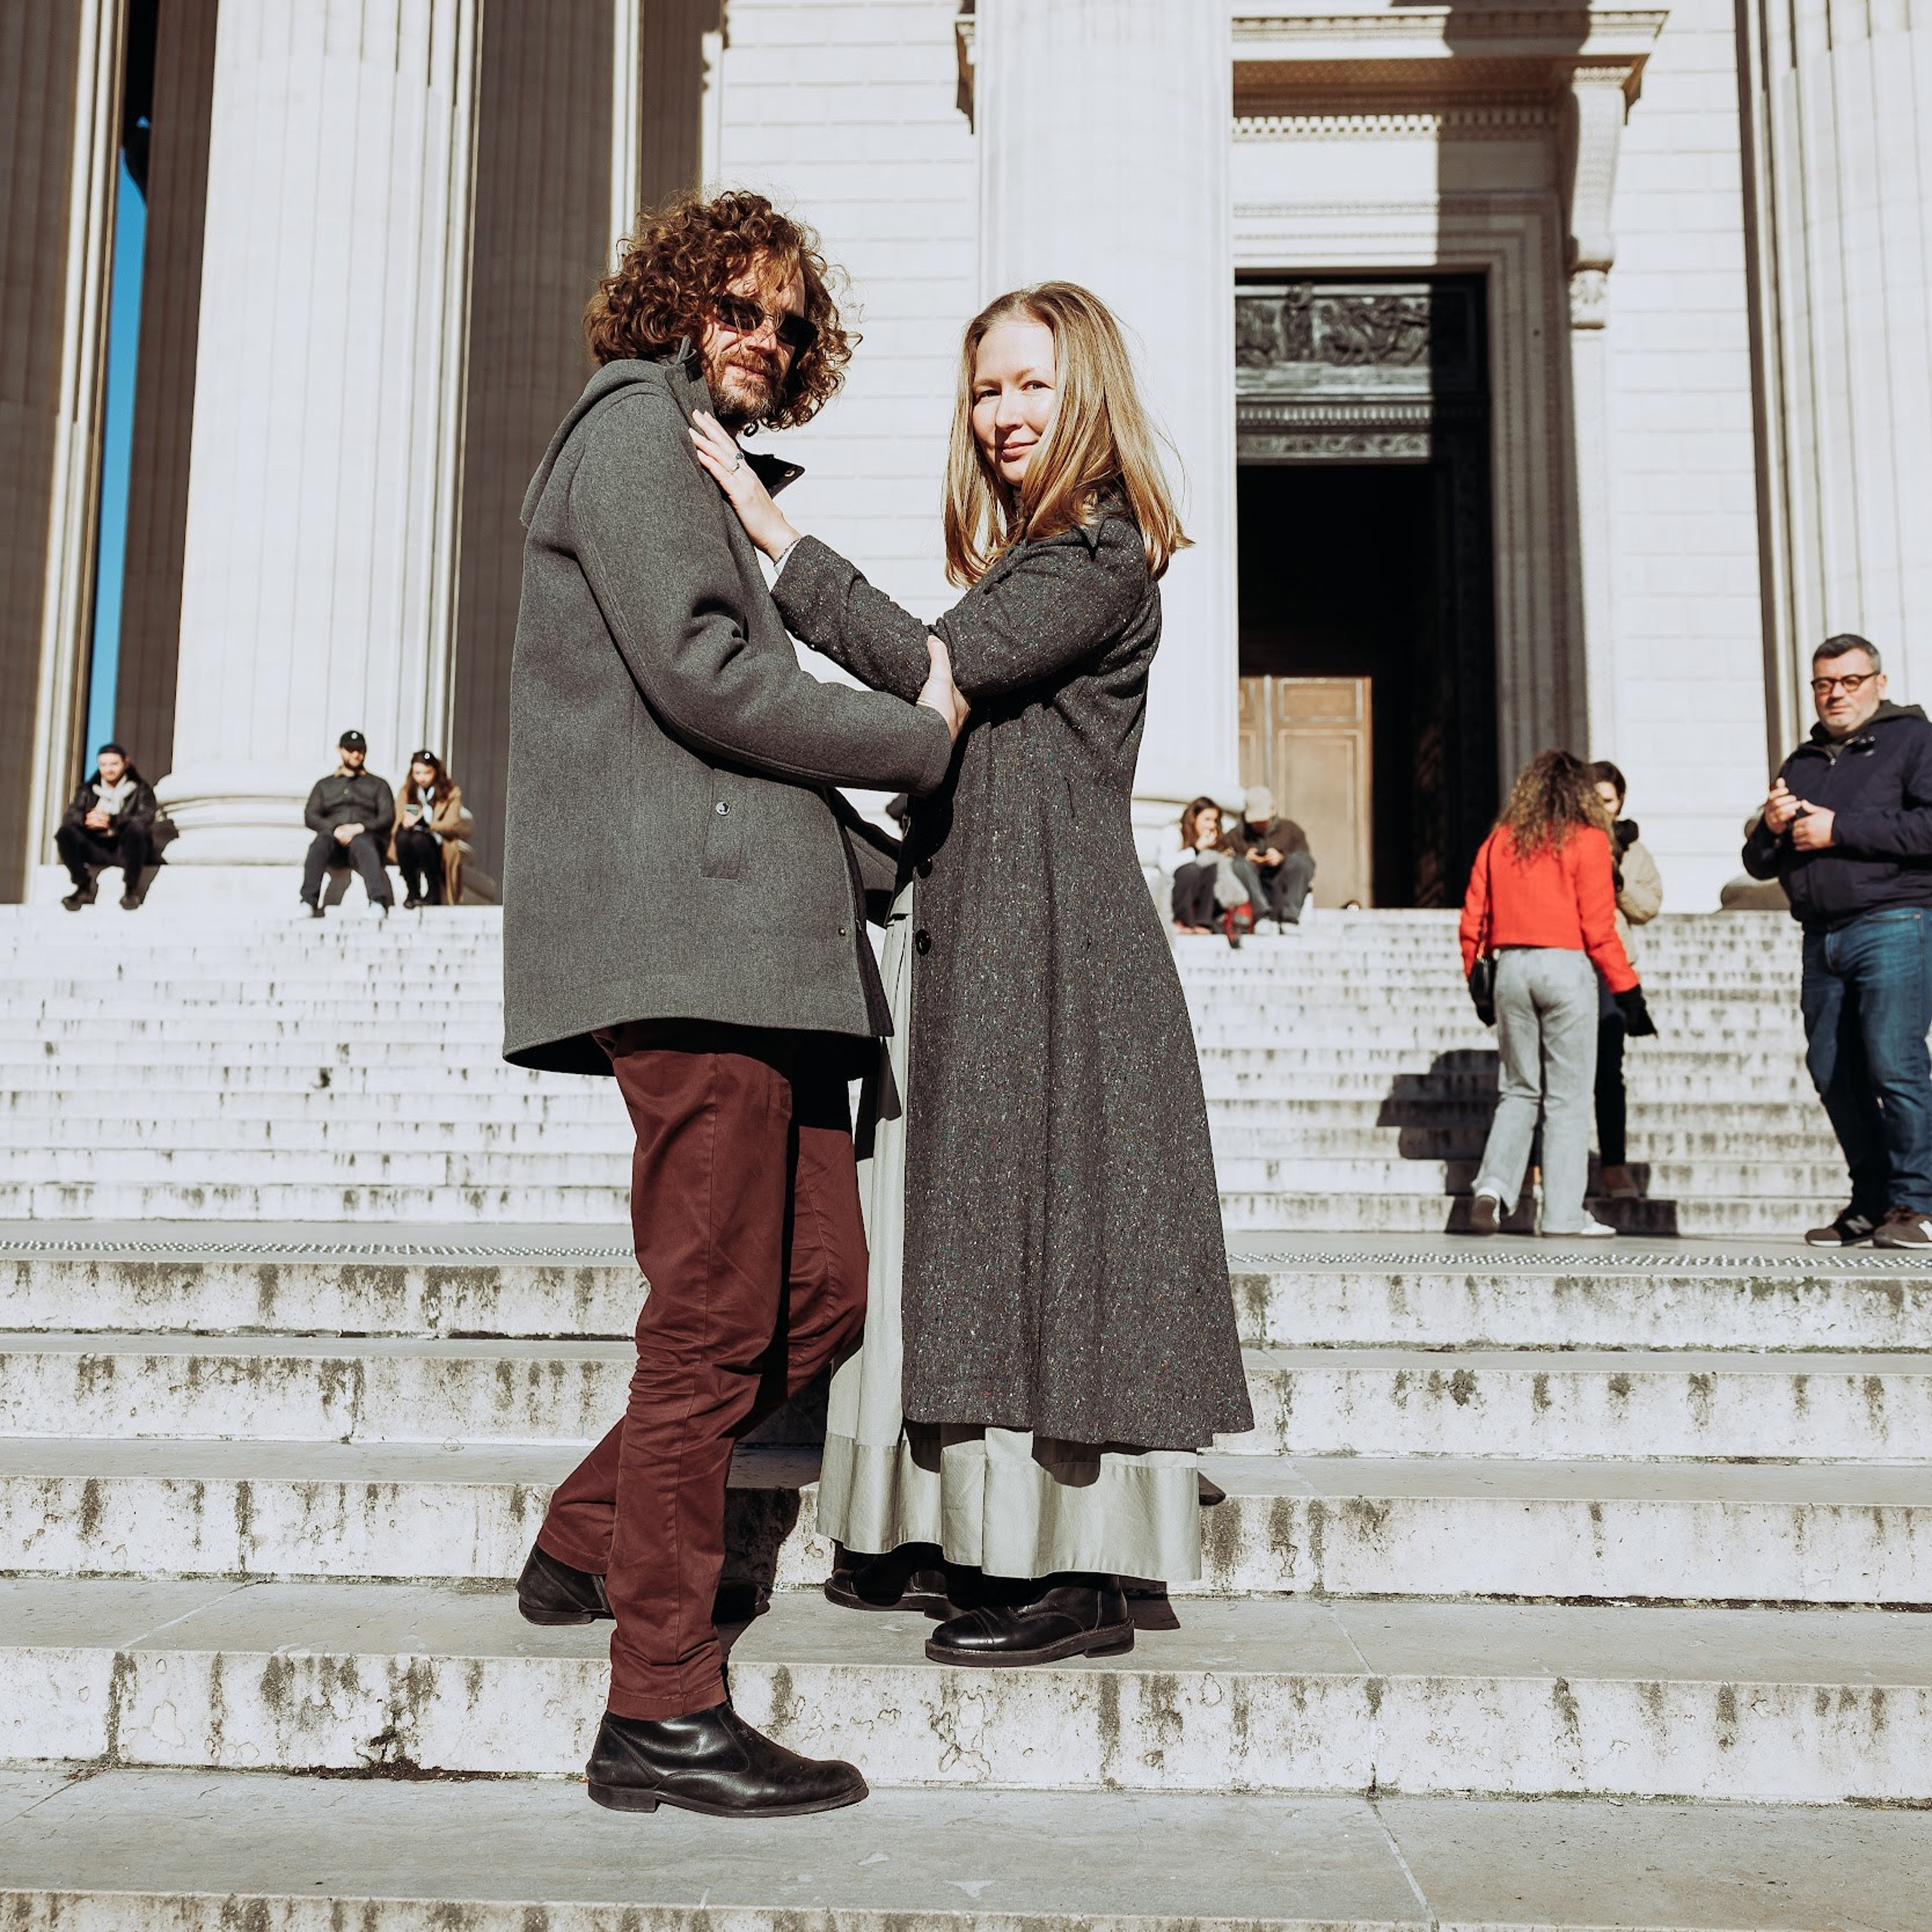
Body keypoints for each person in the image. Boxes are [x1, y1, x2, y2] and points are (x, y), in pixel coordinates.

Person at [694, 281, 1254, 1674]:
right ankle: (964, 1534)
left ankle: (1085, 1572)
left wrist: (775, 536)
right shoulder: (1038, 554)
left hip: (1056, 935)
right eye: (989, 390)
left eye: (1032, 387)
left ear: (1091, 397)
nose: (1005, 414)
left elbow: (937, 670)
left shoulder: (1103, 551)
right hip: (987, 920)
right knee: (978, 1235)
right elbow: (939, 708)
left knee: (1054, 1244)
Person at [498, 189, 966, 1821]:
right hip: (690, 956)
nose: (761, 339)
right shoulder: (635, 433)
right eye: (736, 308)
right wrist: (926, 737)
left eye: (784, 319)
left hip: (762, 953)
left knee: (817, 1295)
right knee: (709, 1319)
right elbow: (708, 676)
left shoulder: (694, 452)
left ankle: (580, 1538)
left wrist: (860, 856)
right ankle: (660, 1705)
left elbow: (701, 731)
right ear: (673, 306)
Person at [1742, 635, 1932, 1248]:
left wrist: (1838, 828)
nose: (1835, 694)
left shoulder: (1914, 740)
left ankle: (1917, 1203)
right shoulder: (1802, 760)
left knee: (1894, 1062)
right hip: (1821, 937)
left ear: (1878, 681)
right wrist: (1771, 829)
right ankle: (1872, 1200)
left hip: (1895, 922)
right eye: (1824, 683)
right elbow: (1758, 863)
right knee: (1832, 1070)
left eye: (1850, 681)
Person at [1460, 749, 1654, 1237]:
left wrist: (1476, 982)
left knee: (1518, 1091)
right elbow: (1598, 927)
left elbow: (1472, 920)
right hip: (1566, 966)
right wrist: (1628, 993)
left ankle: (1491, 1188)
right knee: (1566, 1100)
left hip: (1511, 968)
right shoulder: (1588, 841)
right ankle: (1563, 1214)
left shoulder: (1500, 840)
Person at [1586, 761, 1664, 1198]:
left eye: (1608, 800)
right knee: (1548, 1071)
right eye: (1593, 799)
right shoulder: (1563, 842)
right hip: (1569, 961)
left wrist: (1618, 885)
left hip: (1612, 966)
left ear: (1620, 803)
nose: (1601, 808)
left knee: (1607, 1072)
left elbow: (1648, 905)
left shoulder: (1634, 851)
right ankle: (1536, 1164)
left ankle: (1614, 1166)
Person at [300, 731, 395, 919]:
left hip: (366, 842)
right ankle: (308, 901)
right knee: (320, 842)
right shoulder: (324, 785)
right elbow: (311, 816)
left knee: (363, 841)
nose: (356, 754)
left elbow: (387, 817)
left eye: (360, 750)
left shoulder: (378, 784)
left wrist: (360, 828)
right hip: (334, 842)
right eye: (350, 750)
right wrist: (335, 829)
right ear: (340, 750)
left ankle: (377, 901)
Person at [56, 743, 157, 910]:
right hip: (96, 846)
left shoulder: (141, 789)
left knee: (137, 831)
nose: (108, 769)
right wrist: (86, 819)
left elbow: (146, 818)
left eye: (114, 764)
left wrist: (112, 821)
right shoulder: (87, 789)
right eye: (103, 764)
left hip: (125, 850)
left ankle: (131, 890)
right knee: (65, 833)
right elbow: (71, 815)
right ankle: (83, 887)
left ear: (126, 762)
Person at [1227, 786, 1315, 931]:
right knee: (1236, 864)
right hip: (1254, 896)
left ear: (1273, 810)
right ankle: (1262, 916)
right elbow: (1224, 861)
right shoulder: (1236, 835)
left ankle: (1290, 917)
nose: (1259, 825)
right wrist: (1245, 859)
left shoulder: (1291, 830)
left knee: (1302, 860)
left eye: (1263, 820)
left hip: (1282, 890)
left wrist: (1282, 858)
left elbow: (1305, 863)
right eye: (1255, 821)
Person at [1169, 796, 1251, 945]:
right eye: (1207, 819)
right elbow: (1167, 866)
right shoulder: (1173, 832)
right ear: (1193, 818)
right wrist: (1196, 849)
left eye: (1215, 820)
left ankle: (1203, 922)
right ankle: (1183, 921)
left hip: (1204, 897)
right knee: (1192, 870)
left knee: (1213, 867)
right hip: (1177, 893)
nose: (1212, 825)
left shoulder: (1215, 839)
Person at [390, 749, 466, 908]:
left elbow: (453, 825)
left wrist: (427, 824)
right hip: (409, 841)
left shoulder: (451, 792)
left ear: (436, 772)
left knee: (420, 839)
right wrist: (406, 822)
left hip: (438, 844)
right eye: (417, 773)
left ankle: (433, 890)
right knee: (402, 837)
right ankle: (412, 890)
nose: (422, 778)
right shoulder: (407, 790)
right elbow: (398, 818)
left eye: (427, 772)